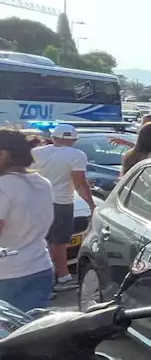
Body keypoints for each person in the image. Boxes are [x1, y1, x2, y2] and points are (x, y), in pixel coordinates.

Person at [32, 124, 94, 291]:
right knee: (59, 242)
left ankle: (51, 279)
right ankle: (61, 279)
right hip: (62, 202)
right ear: (74, 140)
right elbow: (79, 183)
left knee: (41, 242)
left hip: (37, 202)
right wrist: (91, 204)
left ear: (53, 138)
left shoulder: (37, 152)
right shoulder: (77, 155)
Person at [0, 128, 55, 312]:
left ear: (3, 154)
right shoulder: (43, 183)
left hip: (6, 274)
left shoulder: (4, 186)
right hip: (40, 268)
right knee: (27, 335)